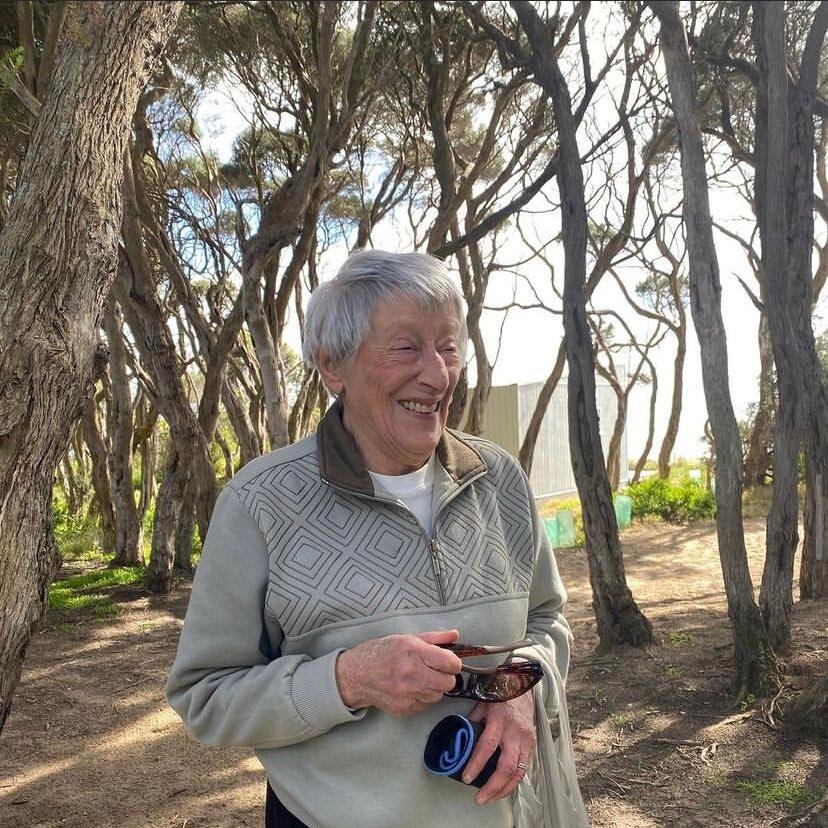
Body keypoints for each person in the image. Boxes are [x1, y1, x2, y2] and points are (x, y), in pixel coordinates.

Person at [166, 250, 587, 827]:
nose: (438, 375)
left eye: (447, 345)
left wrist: (522, 692)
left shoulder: (500, 480)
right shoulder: (261, 502)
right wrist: (347, 680)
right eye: (406, 347)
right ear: (332, 365)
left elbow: (547, 622)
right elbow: (206, 697)